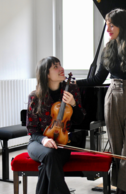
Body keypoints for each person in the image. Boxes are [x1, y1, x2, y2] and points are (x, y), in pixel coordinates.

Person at [76, 8, 126, 194]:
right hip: (112, 97)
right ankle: (120, 188)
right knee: (117, 149)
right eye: (107, 23)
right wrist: (71, 83)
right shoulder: (108, 48)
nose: (108, 28)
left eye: (112, 24)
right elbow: (96, 80)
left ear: (122, 25)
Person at [26, 56, 85, 194]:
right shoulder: (35, 97)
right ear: (46, 74)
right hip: (38, 143)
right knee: (49, 155)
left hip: (62, 143)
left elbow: (79, 120)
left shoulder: (72, 89)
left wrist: (73, 104)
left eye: (60, 65)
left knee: (48, 161)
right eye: (55, 67)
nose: (61, 69)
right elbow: (32, 130)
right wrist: (44, 140)